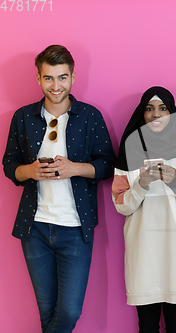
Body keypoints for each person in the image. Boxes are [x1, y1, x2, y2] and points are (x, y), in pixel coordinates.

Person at [2, 45, 115, 332]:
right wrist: (30, 171)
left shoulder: (90, 117)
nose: (56, 86)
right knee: (46, 311)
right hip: (35, 227)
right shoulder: (23, 117)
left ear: (73, 77)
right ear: (38, 78)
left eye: (62, 77)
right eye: (49, 78)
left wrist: (74, 168)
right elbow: (9, 164)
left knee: (68, 312)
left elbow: (107, 165)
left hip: (75, 228)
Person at [112, 86, 176, 333]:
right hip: (143, 252)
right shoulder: (130, 147)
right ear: (142, 114)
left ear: (172, 112)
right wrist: (141, 184)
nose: (156, 114)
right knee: (147, 326)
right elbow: (121, 205)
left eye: (163, 108)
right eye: (149, 109)